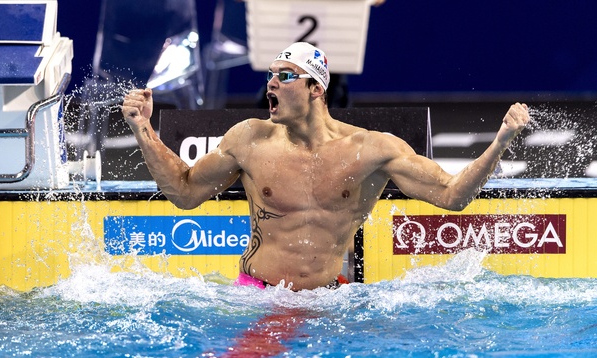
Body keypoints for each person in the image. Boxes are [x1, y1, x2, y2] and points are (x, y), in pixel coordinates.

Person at [122, 42, 530, 291]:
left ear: (316, 89)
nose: (272, 84)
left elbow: (452, 196)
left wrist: (501, 142)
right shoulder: (249, 138)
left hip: (329, 298)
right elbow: (185, 192)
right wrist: (143, 129)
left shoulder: (371, 150)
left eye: (285, 76)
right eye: (270, 76)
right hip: (255, 295)